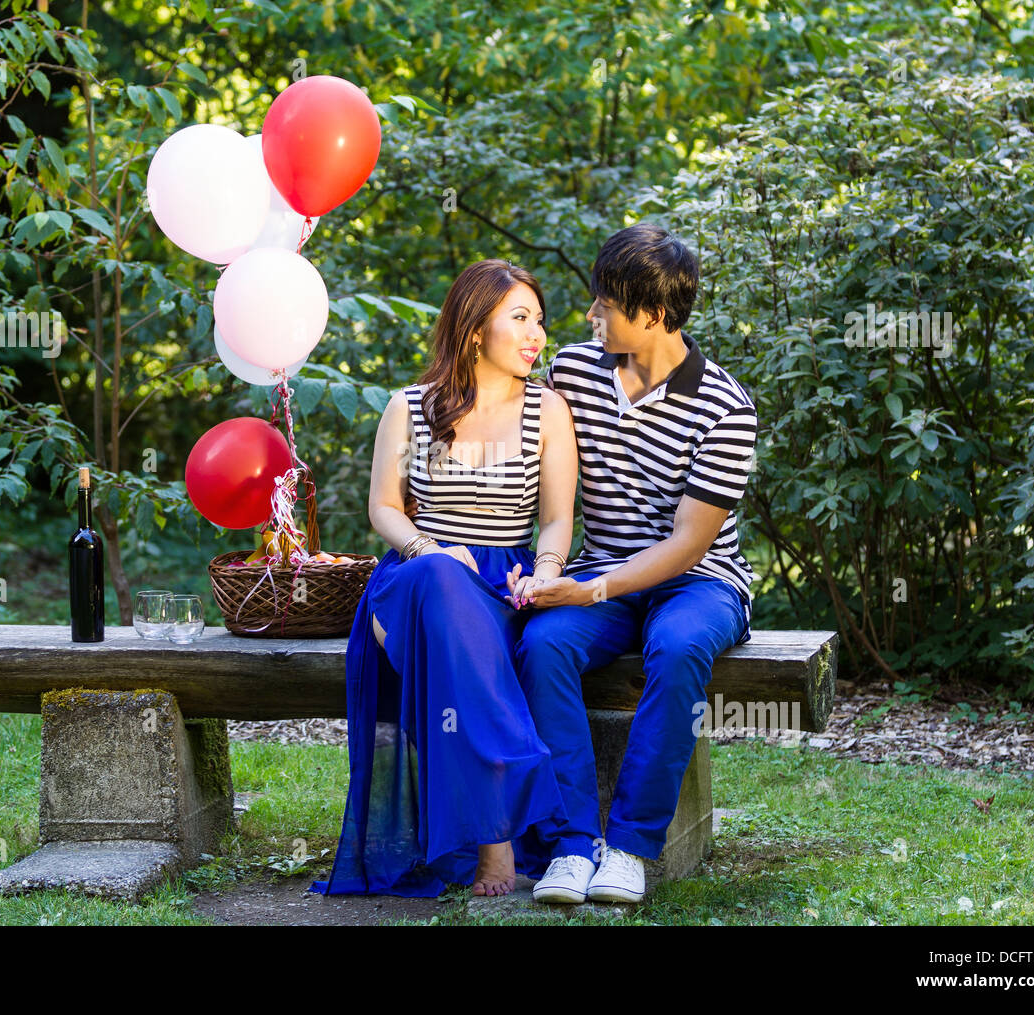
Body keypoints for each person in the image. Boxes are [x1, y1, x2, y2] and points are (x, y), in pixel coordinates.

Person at [311, 258, 580, 898]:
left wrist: (545, 575)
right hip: (414, 575)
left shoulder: (549, 410)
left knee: (463, 618)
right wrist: (429, 547)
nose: (536, 334)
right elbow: (384, 507)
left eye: (539, 320)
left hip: (501, 583)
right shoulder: (409, 407)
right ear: (472, 328)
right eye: (520, 318)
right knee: (439, 579)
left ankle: (497, 806)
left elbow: (557, 518)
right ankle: (499, 833)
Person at [508, 224, 758, 905]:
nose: (593, 314)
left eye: (607, 303)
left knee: (677, 649)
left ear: (651, 313)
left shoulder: (726, 408)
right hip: (601, 573)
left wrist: (589, 589)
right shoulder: (572, 372)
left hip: (699, 583)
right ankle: (570, 844)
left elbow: (688, 545)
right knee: (543, 644)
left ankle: (627, 846)